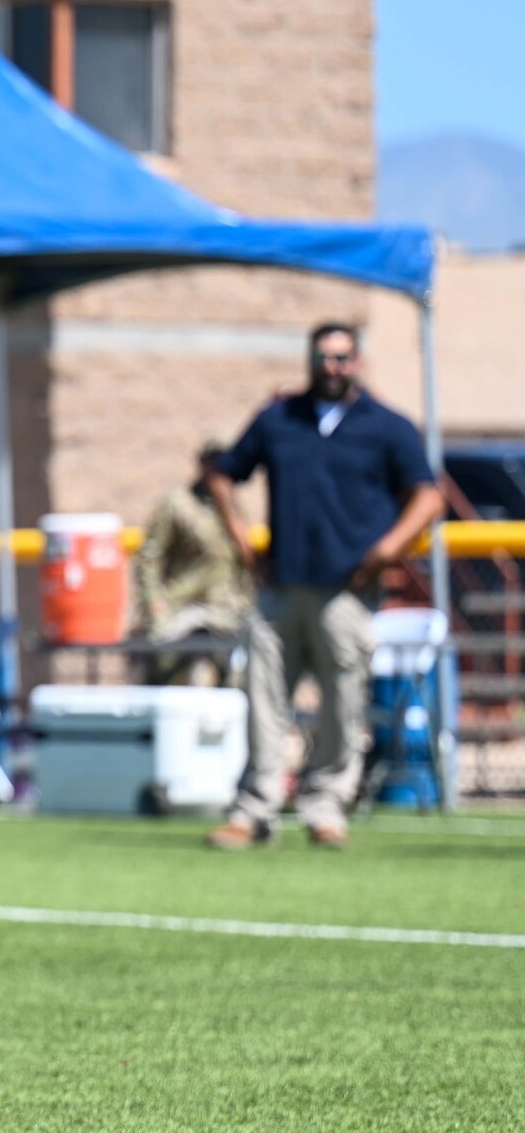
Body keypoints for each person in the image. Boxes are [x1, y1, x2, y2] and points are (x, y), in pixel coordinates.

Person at [204, 322, 442, 851]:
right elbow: (222, 474)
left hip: (346, 591)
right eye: (323, 357)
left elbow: (427, 498)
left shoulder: (386, 426)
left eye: (341, 357)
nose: (332, 367)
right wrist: (243, 541)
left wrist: (387, 551)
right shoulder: (279, 418)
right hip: (282, 586)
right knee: (264, 700)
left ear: (356, 362)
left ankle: (326, 806)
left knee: (342, 704)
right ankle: (254, 809)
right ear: (309, 359)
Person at [133, 437, 253, 685]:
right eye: (214, 460)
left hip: (226, 612)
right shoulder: (179, 503)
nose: (219, 467)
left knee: (239, 684)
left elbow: (242, 564)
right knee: (172, 682)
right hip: (183, 609)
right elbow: (148, 558)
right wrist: (154, 604)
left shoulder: (234, 509)